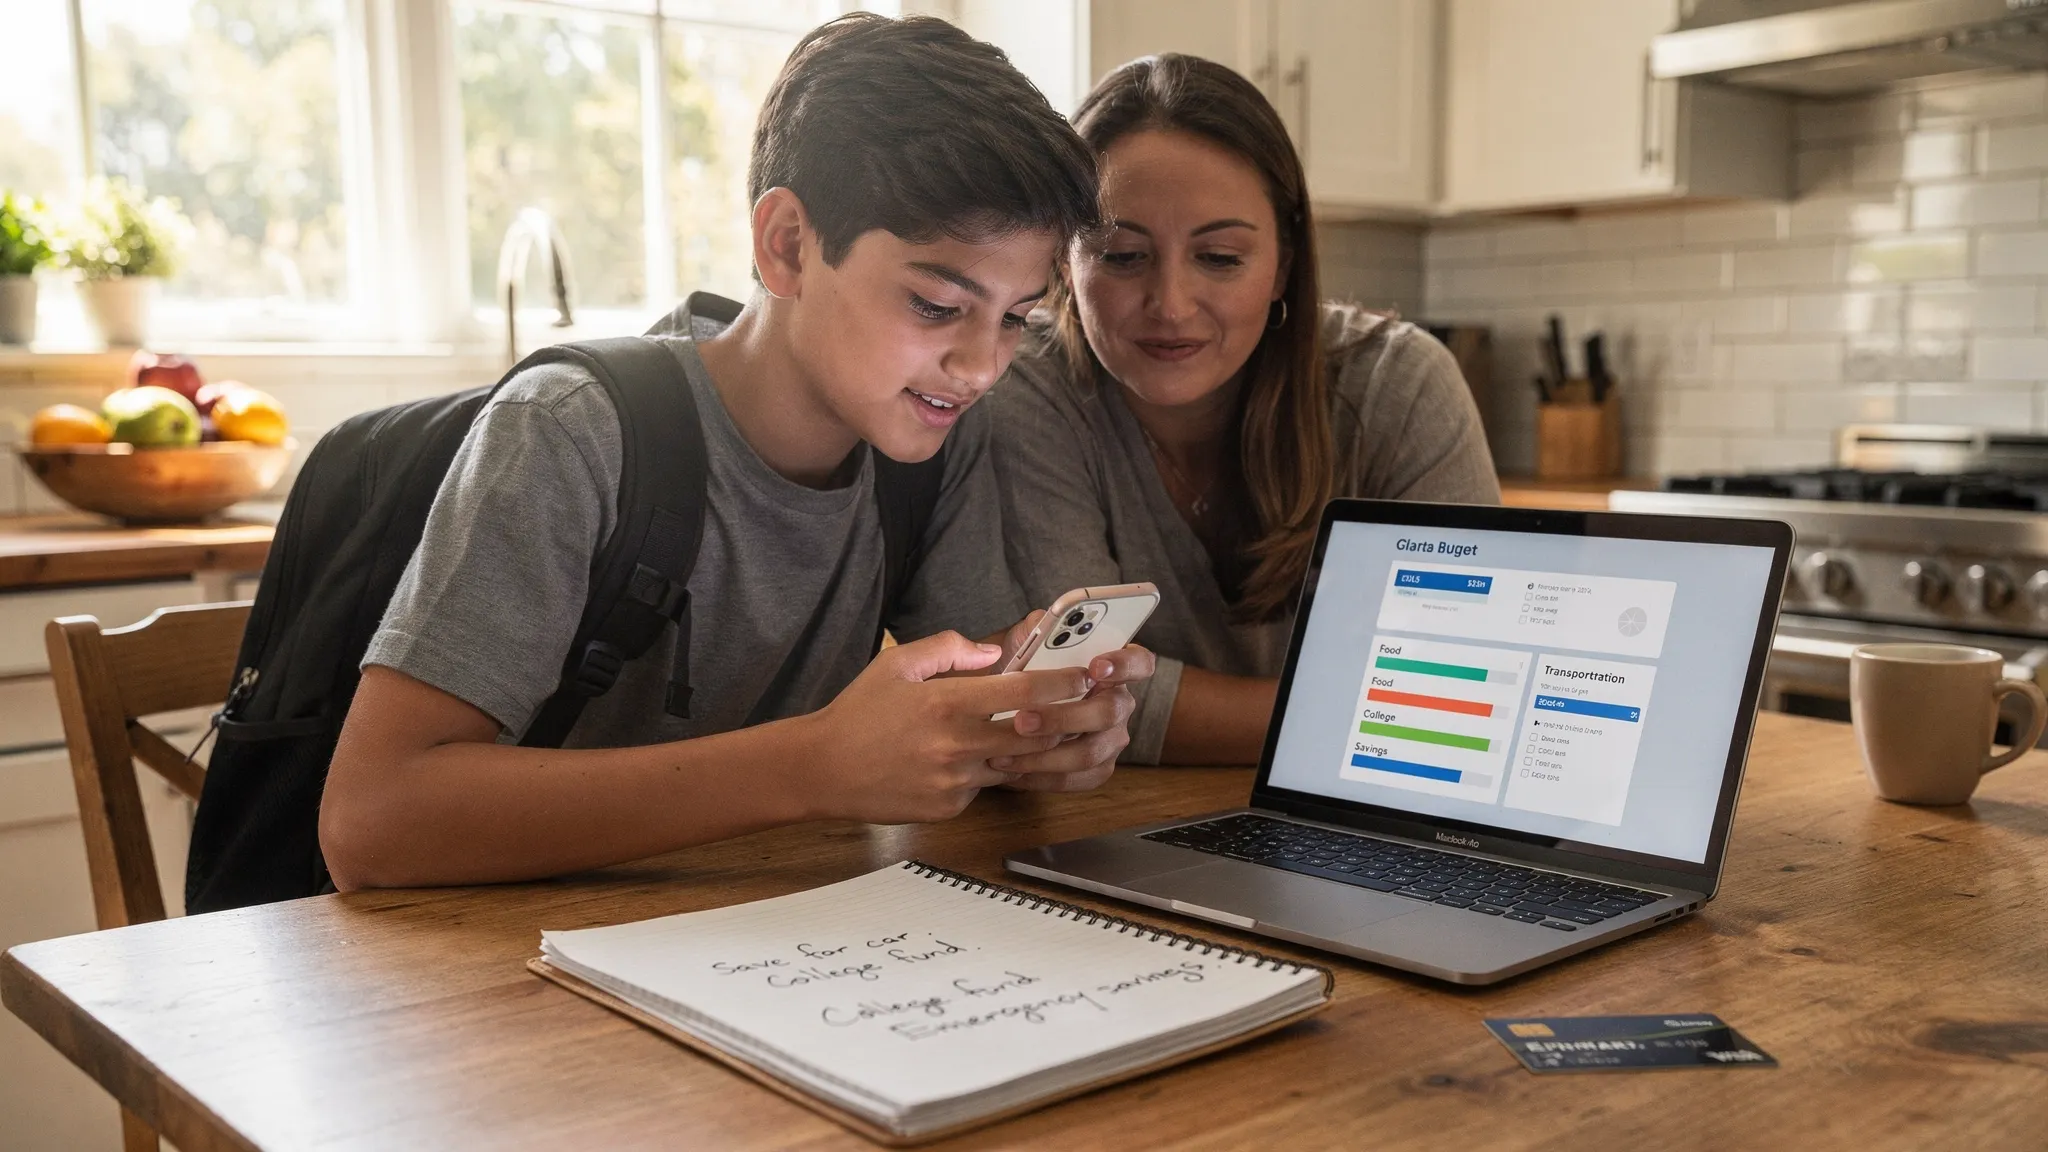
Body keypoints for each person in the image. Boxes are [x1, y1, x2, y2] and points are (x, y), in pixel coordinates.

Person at [317, 14, 1154, 891]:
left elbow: (948, 710)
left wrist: (1030, 727)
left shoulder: (935, 439)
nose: (983, 365)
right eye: (937, 306)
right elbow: (370, 823)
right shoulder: (571, 431)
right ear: (787, 245)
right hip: (493, 967)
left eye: (1017, 317)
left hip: (761, 940)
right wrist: (812, 766)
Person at [990, 53, 1496, 769]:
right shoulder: (1023, 389)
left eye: (1220, 257)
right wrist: (1353, 713)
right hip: (1118, 833)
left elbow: (1460, 684)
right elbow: (1080, 688)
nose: (1170, 304)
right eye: (1124, 255)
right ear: (1065, 261)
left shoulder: (1400, 384)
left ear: (1284, 262)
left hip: (1374, 820)